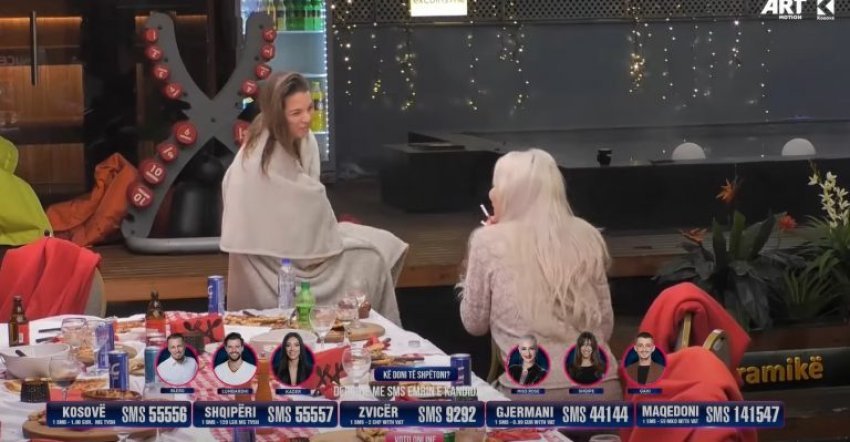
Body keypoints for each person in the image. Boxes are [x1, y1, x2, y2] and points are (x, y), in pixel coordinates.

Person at [220, 71, 408, 325]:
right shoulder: (257, 158)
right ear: (277, 116)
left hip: (303, 244)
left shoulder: (306, 141)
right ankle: (370, 325)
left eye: (310, 108)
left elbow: (309, 214)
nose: (307, 118)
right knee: (372, 256)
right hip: (277, 262)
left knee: (386, 241)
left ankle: (381, 330)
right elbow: (309, 213)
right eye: (296, 113)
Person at [458, 148, 622, 401]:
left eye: (496, 185)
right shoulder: (588, 235)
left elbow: (474, 323)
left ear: (510, 193)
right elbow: (605, 326)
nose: (491, 193)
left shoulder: (487, 241)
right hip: (602, 390)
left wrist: (474, 262)